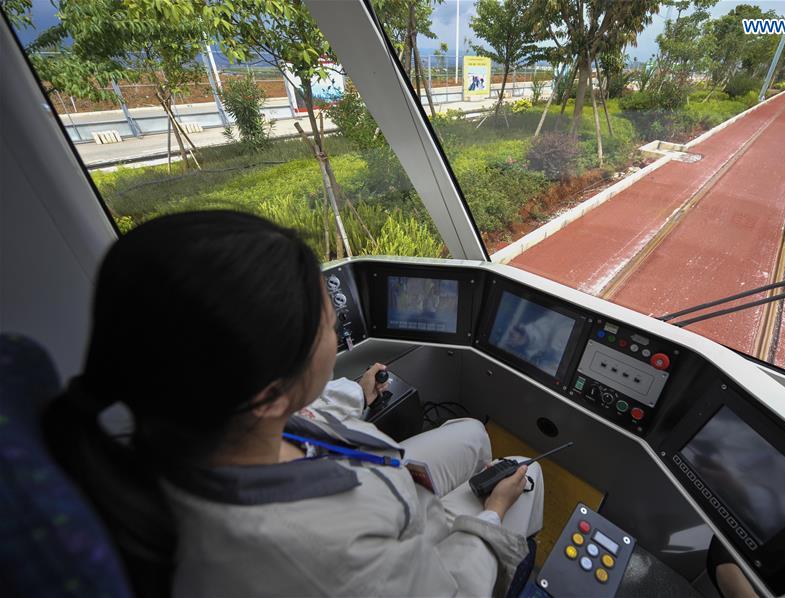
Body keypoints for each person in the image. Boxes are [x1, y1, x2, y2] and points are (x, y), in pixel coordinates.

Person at [42, 211, 544, 598]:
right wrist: (492, 513)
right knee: (526, 474)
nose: (337, 335)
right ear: (267, 396)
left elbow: (300, 422)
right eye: (327, 329)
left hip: (386, 490)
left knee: (473, 433)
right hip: (419, 550)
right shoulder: (323, 554)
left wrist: (357, 394)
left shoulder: (188, 424)